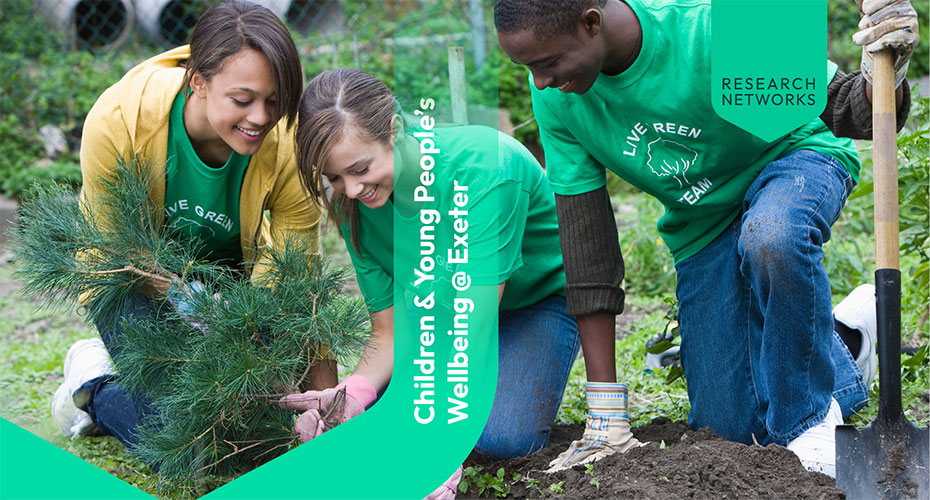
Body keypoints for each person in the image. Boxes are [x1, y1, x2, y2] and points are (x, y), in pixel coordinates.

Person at [494, 0, 917, 477]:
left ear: (591, 22)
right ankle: (846, 340)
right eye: (530, 68)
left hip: (792, 158)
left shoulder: (708, 25)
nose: (540, 81)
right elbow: (587, 249)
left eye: (547, 63)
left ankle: (810, 418)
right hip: (705, 221)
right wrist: (606, 410)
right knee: (727, 426)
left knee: (772, 234)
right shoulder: (558, 99)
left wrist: (888, 68)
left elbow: (851, 113)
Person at [280, 68, 634, 469]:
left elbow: (476, 326)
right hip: (446, 308)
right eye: (334, 178)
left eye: (360, 169)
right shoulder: (354, 209)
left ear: (394, 130)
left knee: (499, 436)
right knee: (383, 415)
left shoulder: (483, 170)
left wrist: (441, 448)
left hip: (536, 300)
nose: (352, 190)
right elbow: (390, 330)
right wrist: (356, 391)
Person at [51, 0, 324, 451]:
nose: (261, 118)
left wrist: (321, 399)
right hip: (128, 282)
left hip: (226, 281)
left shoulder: (288, 142)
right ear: (197, 80)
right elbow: (114, 246)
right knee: (184, 439)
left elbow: (300, 278)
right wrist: (191, 304)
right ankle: (94, 384)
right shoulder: (119, 120)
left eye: (274, 101)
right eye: (242, 100)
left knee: (265, 429)